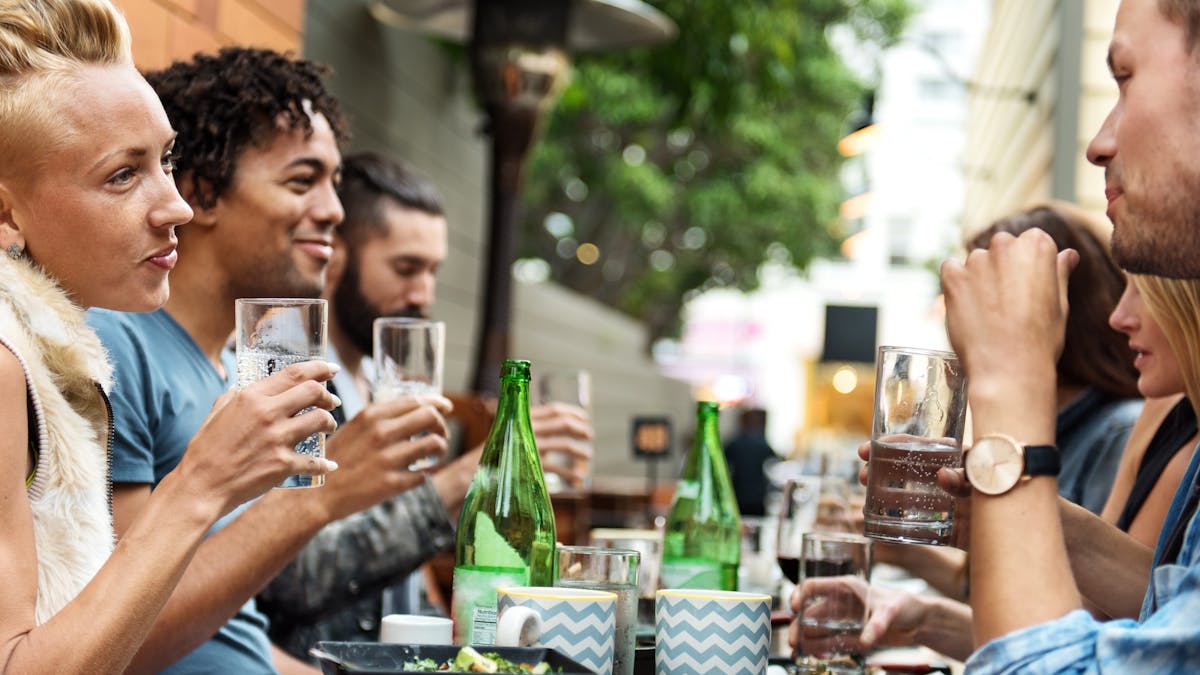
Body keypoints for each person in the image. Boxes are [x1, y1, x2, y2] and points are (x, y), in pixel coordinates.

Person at [87, 48, 452, 674]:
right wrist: (319, 500)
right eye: (302, 180)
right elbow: (122, 639)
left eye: (334, 183)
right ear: (201, 192)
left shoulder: (235, 369)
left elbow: (233, 636)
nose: (335, 211)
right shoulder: (116, 347)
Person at [0, 1, 338, 672]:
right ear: (6, 212)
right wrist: (202, 482)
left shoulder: (56, 352)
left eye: (166, 160)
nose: (176, 205)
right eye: (123, 175)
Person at [930, 0, 1200, 669]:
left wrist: (1009, 383)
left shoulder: (1124, 422)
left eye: (1126, 76)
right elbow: (1166, 618)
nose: (1098, 142)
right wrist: (1031, 515)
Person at [259, 151, 593, 658]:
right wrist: (468, 478)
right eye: (406, 268)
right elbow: (292, 577)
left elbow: (411, 576)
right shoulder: (290, 376)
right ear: (337, 254)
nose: (424, 293)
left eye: (433, 270)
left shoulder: (381, 379)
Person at [792, 272, 1200, 662]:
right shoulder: (1161, 414)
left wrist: (1010, 395)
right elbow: (1144, 611)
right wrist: (923, 617)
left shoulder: (1118, 426)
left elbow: (1077, 643)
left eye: (1142, 285)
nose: (1119, 316)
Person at [724, 407, 776, 517]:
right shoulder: (763, 445)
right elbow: (775, 463)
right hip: (757, 497)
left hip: (738, 495)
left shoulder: (734, 443)